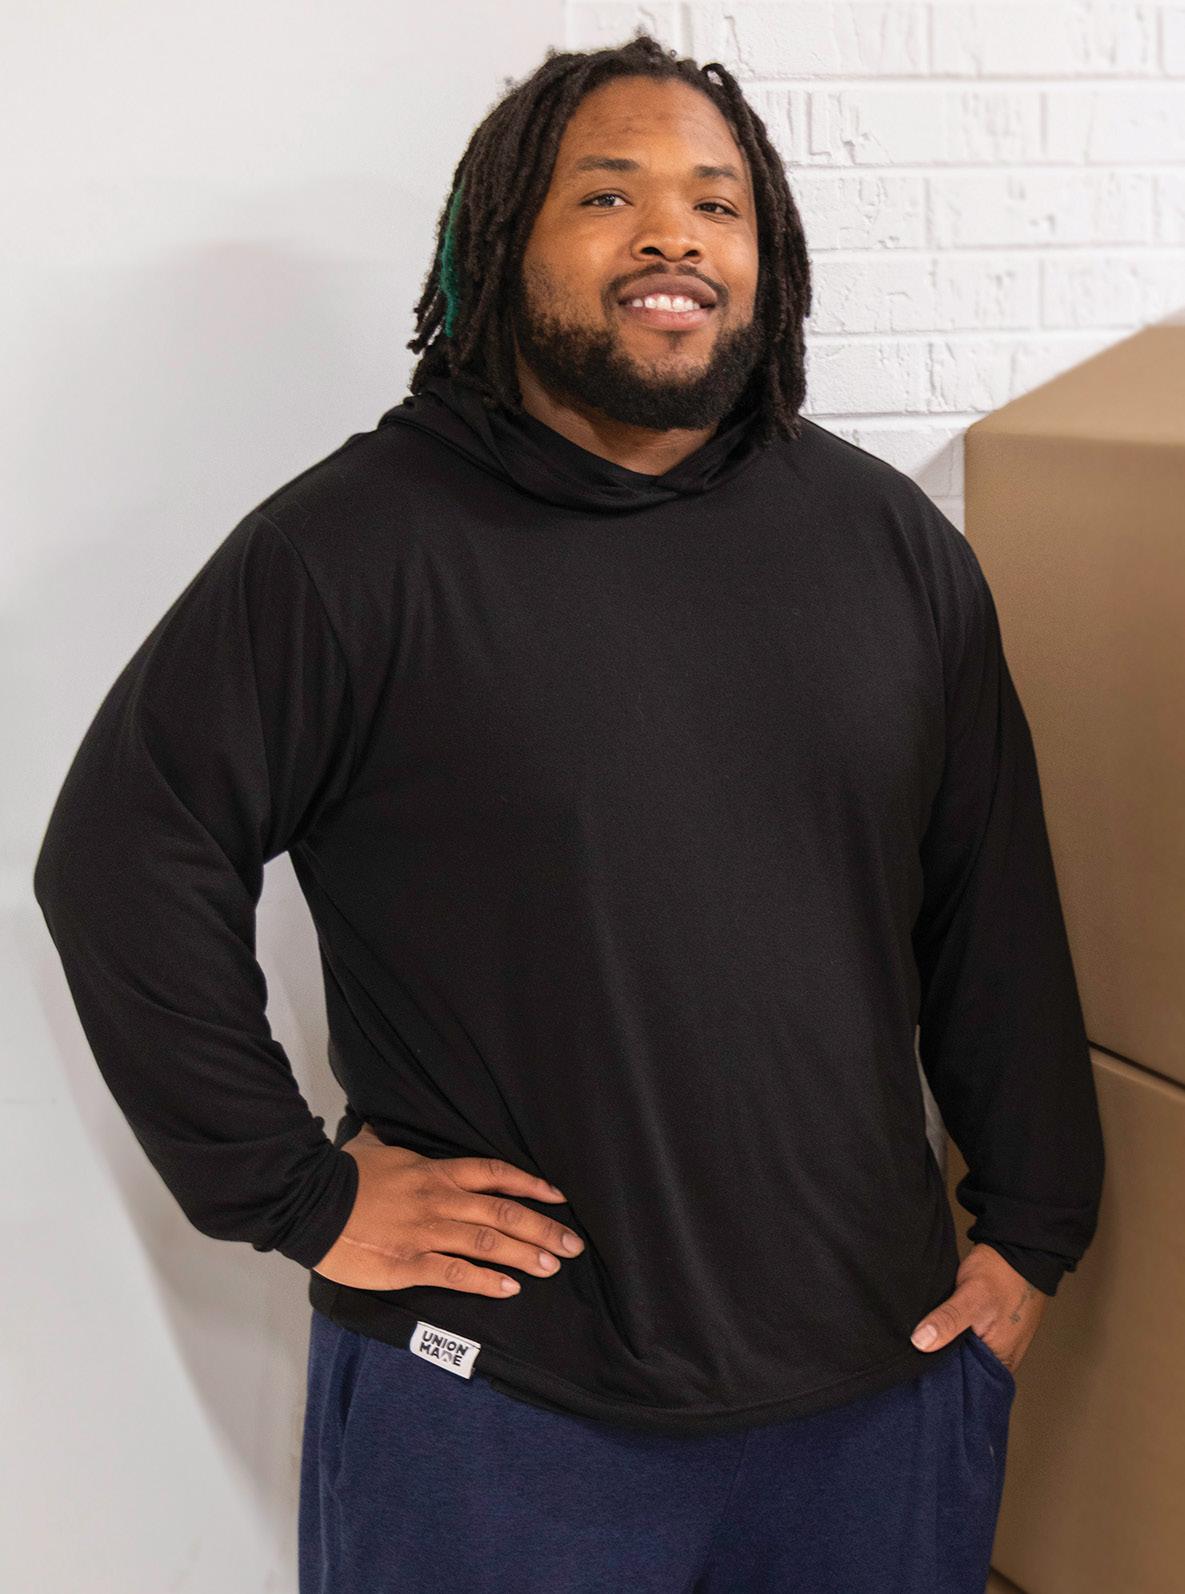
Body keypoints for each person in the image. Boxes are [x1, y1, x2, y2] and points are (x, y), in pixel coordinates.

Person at [33, 32, 1105, 1594]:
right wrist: (297, 1194)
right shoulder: (355, 548)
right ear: (495, 250)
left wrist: (1031, 1232)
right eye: (608, 195)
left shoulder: (885, 545)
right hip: (500, 1413)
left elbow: (988, 905)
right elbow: (125, 856)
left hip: (876, 1390)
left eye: (716, 203)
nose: (674, 235)